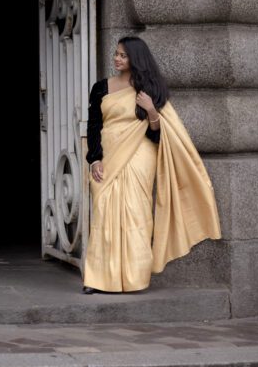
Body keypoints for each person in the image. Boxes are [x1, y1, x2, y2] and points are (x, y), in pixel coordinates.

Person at [82, 35, 220, 294]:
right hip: (109, 155)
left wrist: (152, 111)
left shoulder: (151, 88)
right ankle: (97, 279)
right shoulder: (101, 88)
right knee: (103, 213)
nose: (117, 59)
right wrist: (95, 159)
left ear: (136, 58)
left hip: (140, 155)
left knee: (135, 212)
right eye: (116, 54)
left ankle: (134, 277)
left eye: (123, 55)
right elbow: (93, 126)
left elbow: (158, 134)